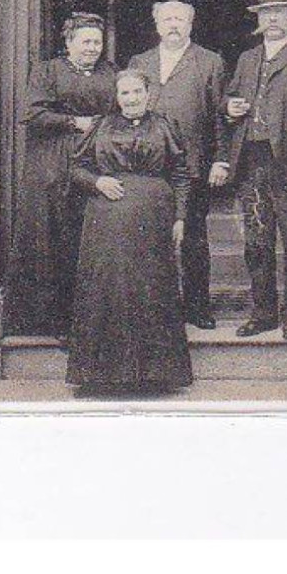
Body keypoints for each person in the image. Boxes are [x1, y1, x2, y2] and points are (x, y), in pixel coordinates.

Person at [210, 0, 287, 342]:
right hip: (252, 161)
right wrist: (229, 107)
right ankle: (263, 311)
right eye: (267, 13)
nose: (273, 19)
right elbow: (229, 101)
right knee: (256, 240)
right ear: (259, 20)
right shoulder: (248, 59)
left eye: (280, 12)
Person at [66, 69, 194, 394]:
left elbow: (180, 172)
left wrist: (180, 217)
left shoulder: (164, 125)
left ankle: (155, 375)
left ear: (148, 93)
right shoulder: (101, 126)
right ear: (117, 96)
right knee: (109, 287)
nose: (132, 98)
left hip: (154, 218)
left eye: (137, 91)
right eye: (125, 93)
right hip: (107, 220)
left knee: (151, 288)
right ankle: (102, 375)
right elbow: (76, 167)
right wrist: (97, 181)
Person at [6, 12, 118, 339]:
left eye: (97, 42)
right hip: (53, 165)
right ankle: (56, 322)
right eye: (85, 42)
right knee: (54, 240)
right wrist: (74, 123)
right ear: (68, 43)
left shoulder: (110, 73)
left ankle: (92, 322)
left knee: (89, 241)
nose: (92, 48)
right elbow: (33, 113)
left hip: (94, 163)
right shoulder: (48, 72)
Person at [128, 0, 227, 329]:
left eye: (180, 20)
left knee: (194, 239)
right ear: (156, 25)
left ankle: (198, 308)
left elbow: (219, 117)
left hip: (193, 165)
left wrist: (220, 160)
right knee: (149, 237)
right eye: (167, 19)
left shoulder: (210, 62)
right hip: (148, 166)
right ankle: (155, 309)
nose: (173, 25)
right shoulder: (139, 62)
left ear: (190, 25)